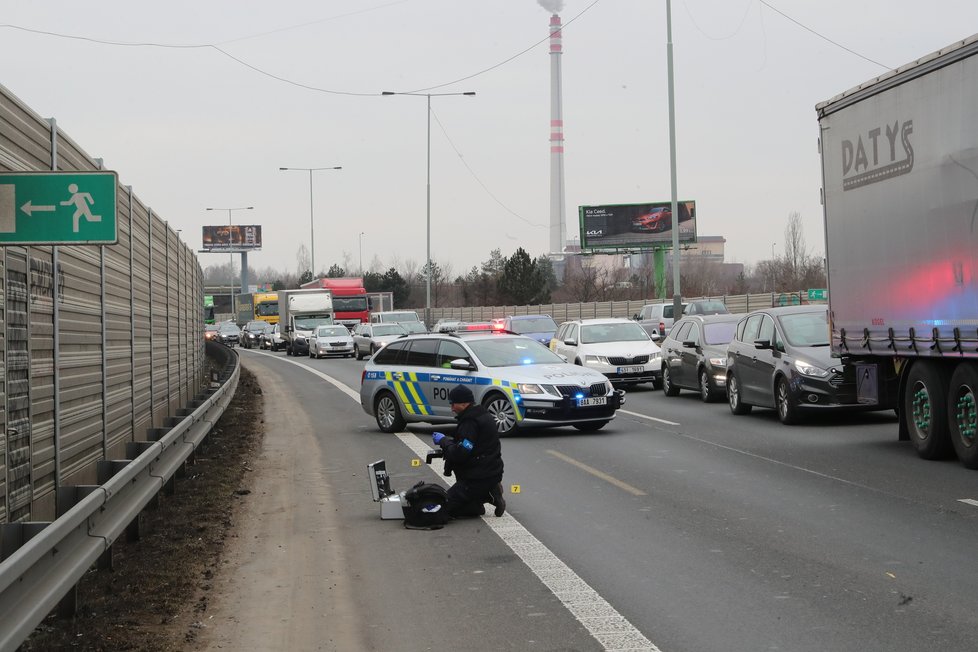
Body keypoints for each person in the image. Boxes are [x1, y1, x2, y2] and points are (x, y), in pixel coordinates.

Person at [432, 384, 506, 518]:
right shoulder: (482, 414)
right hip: (491, 472)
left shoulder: (470, 422)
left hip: (476, 478)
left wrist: (443, 441)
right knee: (464, 502)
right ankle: (486, 494)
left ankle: (483, 499)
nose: (452, 408)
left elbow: (460, 453)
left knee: (444, 509)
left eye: (453, 404)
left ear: (463, 403)